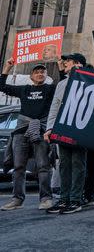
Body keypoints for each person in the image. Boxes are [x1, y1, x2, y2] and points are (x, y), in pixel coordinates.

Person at [0, 59, 55, 211]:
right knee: (18, 167)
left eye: (42, 72)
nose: (39, 74)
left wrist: (59, 63)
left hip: (41, 131)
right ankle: (17, 199)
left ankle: (46, 198)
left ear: (45, 75)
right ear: (31, 76)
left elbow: (65, 84)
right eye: (36, 72)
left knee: (43, 166)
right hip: (21, 132)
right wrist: (7, 68)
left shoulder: (50, 89)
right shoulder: (24, 89)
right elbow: (2, 86)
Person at [44, 53, 88, 214]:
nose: (65, 63)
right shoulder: (61, 84)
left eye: (68, 61)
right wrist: (50, 128)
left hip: (80, 127)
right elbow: (55, 106)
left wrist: (81, 73)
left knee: (77, 163)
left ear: (78, 64)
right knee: (64, 164)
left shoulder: (88, 80)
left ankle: (76, 199)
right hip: (62, 128)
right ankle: (64, 199)